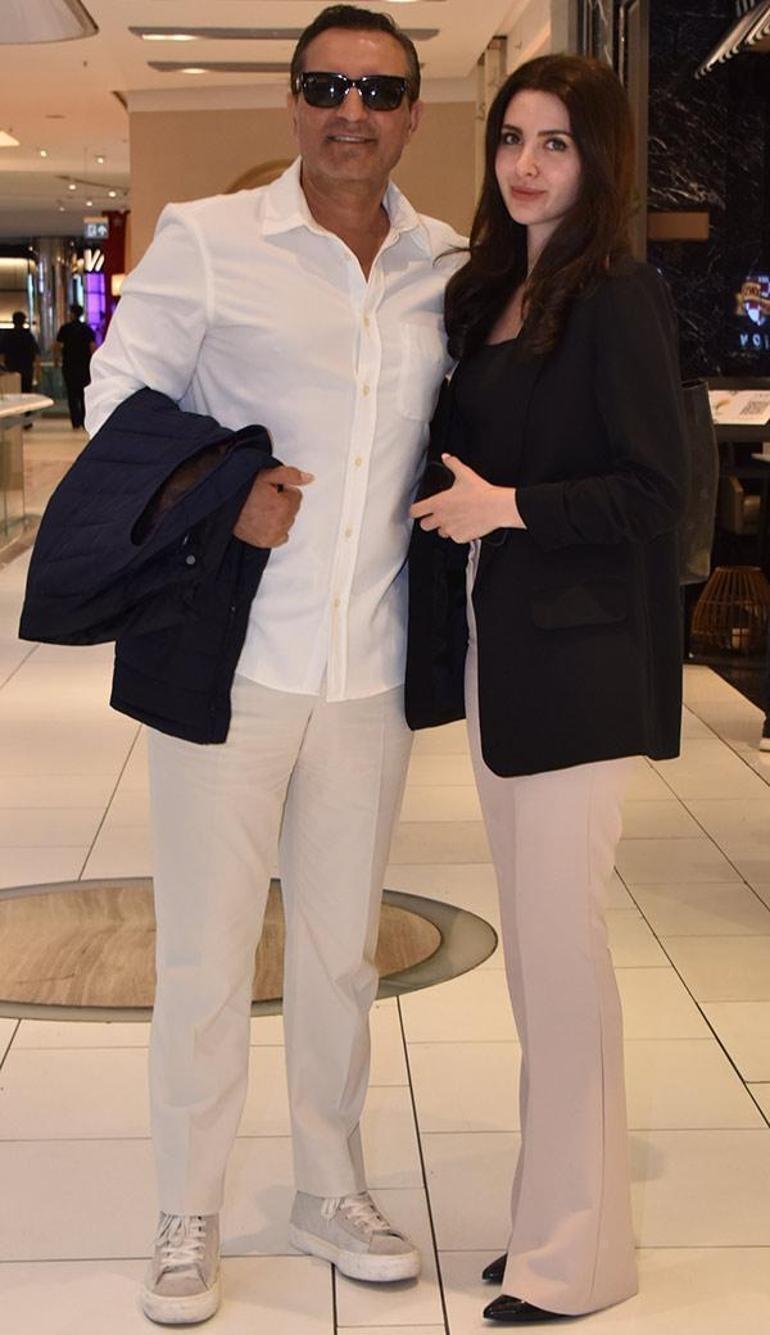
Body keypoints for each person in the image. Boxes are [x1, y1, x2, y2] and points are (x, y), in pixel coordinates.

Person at [83, 4, 462, 1325]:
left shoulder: (444, 265)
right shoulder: (209, 240)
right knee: (202, 952)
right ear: (293, 101)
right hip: (227, 663)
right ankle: (186, 1207)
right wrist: (217, 489)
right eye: (326, 85)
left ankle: (327, 1184)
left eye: (379, 90)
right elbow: (115, 404)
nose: (351, 110)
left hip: (369, 668)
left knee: (342, 952)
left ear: (411, 114)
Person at [408, 54, 688, 1325]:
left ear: (597, 157)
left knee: (561, 959)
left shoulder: (616, 296)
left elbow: (652, 492)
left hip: (580, 668)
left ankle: (578, 1260)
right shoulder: (495, 290)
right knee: (534, 959)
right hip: (502, 652)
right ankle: (548, 1225)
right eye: (512, 139)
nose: (525, 164)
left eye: (555, 143)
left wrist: (509, 509)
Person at [55, 302, 95, 428]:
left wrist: (56, 360)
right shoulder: (87, 329)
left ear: (72, 314)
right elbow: (92, 347)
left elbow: (58, 346)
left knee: (71, 394)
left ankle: (75, 421)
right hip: (84, 366)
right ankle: (84, 419)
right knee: (84, 393)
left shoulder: (65, 329)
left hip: (69, 365)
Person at [0, 309, 41, 393]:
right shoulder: (28, 336)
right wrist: (37, 372)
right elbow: (36, 354)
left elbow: (2, 356)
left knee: (12, 394)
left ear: (13, 321)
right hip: (27, 371)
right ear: (24, 321)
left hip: (10, 371)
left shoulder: (7, 336)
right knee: (26, 394)